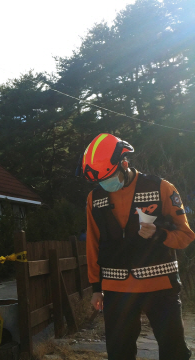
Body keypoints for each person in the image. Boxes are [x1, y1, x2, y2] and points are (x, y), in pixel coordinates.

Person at [80, 133, 194, 360]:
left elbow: (186, 235)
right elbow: (93, 243)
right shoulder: (95, 198)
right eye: (100, 181)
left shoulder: (162, 188)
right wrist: (95, 287)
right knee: (119, 353)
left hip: (160, 285)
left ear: (124, 163)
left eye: (109, 176)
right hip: (116, 289)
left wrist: (160, 234)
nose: (105, 184)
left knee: (174, 352)